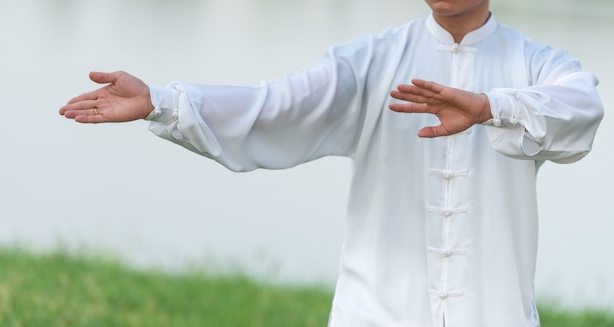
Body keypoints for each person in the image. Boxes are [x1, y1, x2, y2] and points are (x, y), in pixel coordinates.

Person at [59, 0, 604, 326]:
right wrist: (163, 100)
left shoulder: (536, 63)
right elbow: (273, 108)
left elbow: (581, 111)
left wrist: (491, 107)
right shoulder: (369, 61)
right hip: (376, 314)